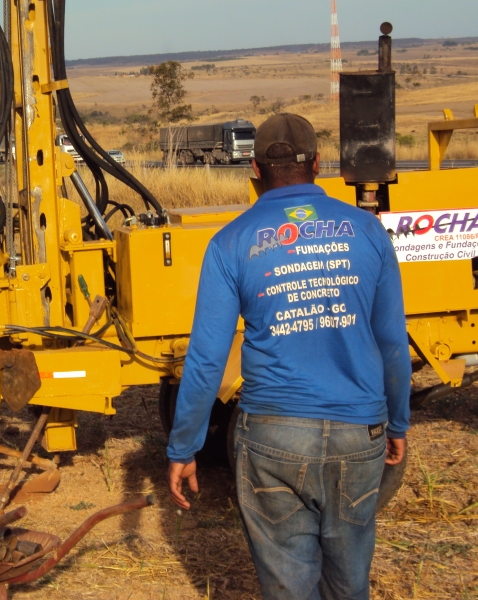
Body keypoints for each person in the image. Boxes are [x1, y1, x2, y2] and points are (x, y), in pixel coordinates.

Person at [166, 113, 410, 600]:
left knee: (289, 589)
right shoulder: (366, 232)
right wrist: (397, 423)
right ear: (319, 164)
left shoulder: (230, 243)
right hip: (359, 434)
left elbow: (206, 360)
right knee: (349, 583)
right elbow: (391, 342)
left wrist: (184, 447)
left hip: (273, 438)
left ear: (253, 170)